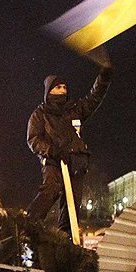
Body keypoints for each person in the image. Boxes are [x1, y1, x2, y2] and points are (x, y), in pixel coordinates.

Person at [26, 49, 112, 231]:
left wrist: (104, 76)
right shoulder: (40, 114)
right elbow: (33, 139)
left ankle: (66, 242)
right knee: (51, 188)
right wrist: (52, 151)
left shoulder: (75, 109)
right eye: (58, 88)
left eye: (65, 87)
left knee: (72, 206)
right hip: (54, 160)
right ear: (49, 91)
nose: (63, 90)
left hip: (76, 162)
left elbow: (95, 97)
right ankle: (28, 224)